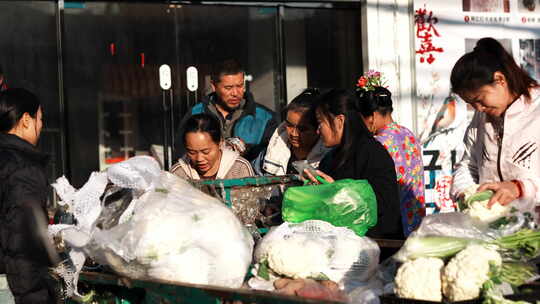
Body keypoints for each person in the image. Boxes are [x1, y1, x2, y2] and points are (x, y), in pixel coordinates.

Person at [450, 37, 540, 222]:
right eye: (470, 103)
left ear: (500, 79)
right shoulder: (482, 116)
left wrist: (519, 188)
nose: (478, 109)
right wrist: (464, 192)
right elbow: (469, 164)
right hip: (496, 229)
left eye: (479, 99)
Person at [308, 88, 403, 240]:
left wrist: (337, 191)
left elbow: (382, 205)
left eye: (320, 123)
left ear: (339, 121)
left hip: (373, 249)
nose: (318, 131)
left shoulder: (373, 154)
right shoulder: (329, 159)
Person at [0, 88, 61, 303]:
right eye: (40, 118)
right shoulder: (22, 168)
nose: (42, 126)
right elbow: (23, 242)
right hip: (11, 286)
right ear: (27, 120)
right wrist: (35, 296)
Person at [356, 79, 425, 236]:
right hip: (416, 220)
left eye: (362, 119)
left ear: (372, 116)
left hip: (396, 224)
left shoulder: (378, 144)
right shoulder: (408, 134)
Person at [175, 59, 277, 161]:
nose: (235, 93)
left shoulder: (264, 117)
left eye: (240, 86)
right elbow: (182, 155)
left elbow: (273, 157)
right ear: (214, 86)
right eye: (228, 88)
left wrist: (248, 150)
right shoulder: (195, 113)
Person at [252, 88, 330, 176]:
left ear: (318, 128)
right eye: (289, 125)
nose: (294, 133)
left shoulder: (331, 158)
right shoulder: (270, 153)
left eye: (302, 129)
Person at [171, 113, 254, 180]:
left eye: (206, 151)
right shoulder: (178, 173)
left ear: (220, 143)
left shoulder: (239, 168)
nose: (199, 159)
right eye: (192, 152)